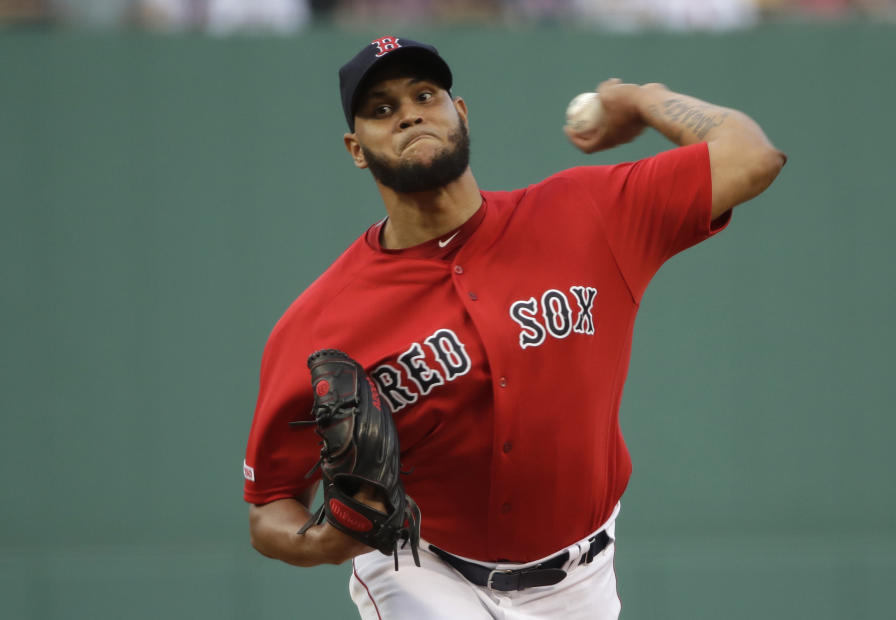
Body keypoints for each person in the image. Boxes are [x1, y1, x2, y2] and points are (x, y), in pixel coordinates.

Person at [243, 35, 785, 619]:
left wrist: (644, 100)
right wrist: (320, 541)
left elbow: (751, 158)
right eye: (382, 109)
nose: (409, 114)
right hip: (423, 571)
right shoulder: (320, 321)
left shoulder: (584, 214)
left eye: (426, 95)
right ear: (356, 147)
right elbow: (270, 504)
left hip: (582, 581)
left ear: (462, 113)